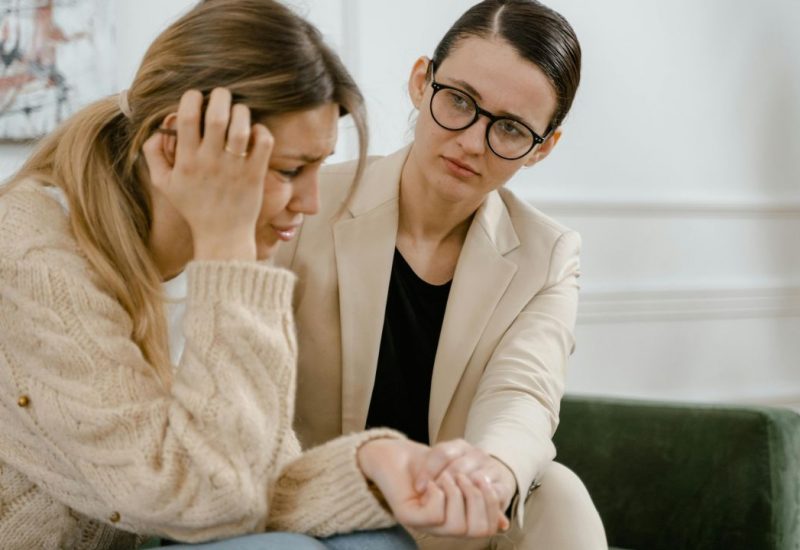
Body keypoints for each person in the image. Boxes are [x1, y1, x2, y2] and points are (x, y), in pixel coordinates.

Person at [0, 1, 510, 548]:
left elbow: (251, 466)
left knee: (382, 537)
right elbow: (207, 497)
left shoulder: (212, 252)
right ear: (179, 144)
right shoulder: (31, 253)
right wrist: (229, 255)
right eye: (291, 171)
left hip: (188, 507)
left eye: (318, 167)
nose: (311, 202)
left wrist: (373, 460)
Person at [275, 0, 608, 548]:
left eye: (510, 129)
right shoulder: (306, 201)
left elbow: (523, 393)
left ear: (543, 148)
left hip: (454, 512)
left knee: (560, 493)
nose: (472, 142)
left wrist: (491, 473)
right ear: (420, 82)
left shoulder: (548, 255)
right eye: (459, 101)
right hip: (319, 498)